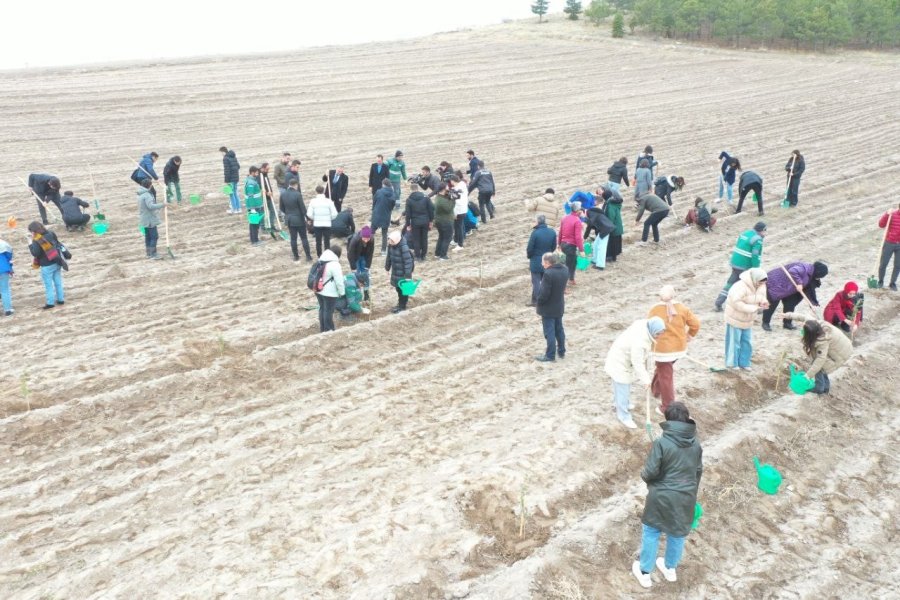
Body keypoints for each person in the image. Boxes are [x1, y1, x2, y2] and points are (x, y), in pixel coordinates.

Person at [632, 401, 703, 589]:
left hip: (661, 496)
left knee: (652, 531)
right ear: (686, 419)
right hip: (686, 497)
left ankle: (645, 572)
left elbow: (649, 472)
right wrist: (690, 493)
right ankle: (670, 568)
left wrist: (651, 482)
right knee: (677, 533)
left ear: (668, 421)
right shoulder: (696, 444)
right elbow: (698, 471)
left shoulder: (662, 443)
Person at [604, 317, 666, 429]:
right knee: (623, 387)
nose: (659, 336)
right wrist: (646, 380)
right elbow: (637, 363)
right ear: (652, 330)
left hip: (623, 358)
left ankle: (618, 404)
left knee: (621, 386)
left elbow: (645, 356)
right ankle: (623, 416)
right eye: (657, 334)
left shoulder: (644, 325)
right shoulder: (640, 342)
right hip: (620, 362)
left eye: (661, 333)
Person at [648, 286, 700, 414]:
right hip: (678, 348)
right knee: (663, 369)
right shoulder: (682, 308)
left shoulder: (655, 309)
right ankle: (655, 389)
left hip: (662, 350)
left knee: (666, 376)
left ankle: (667, 406)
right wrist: (690, 335)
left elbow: (648, 326)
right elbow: (696, 324)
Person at [783, 313, 853, 394]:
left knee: (818, 364)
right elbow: (804, 316)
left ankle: (819, 388)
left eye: (804, 329)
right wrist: (787, 315)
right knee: (819, 363)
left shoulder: (822, 341)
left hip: (841, 353)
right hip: (843, 345)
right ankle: (826, 388)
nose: (802, 327)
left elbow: (820, 360)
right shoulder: (815, 324)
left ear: (811, 334)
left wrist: (807, 376)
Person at [714, 221, 767, 311]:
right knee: (753, 286)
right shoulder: (757, 239)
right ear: (762, 230)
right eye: (765, 231)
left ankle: (718, 303)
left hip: (735, 263)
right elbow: (755, 255)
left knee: (730, 283)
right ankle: (756, 308)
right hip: (745, 265)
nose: (765, 233)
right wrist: (756, 268)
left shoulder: (745, 233)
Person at [761, 261, 828, 331]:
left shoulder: (811, 274)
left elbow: (810, 290)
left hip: (787, 287)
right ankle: (765, 323)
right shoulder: (805, 268)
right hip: (775, 283)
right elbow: (793, 271)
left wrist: (812, 303)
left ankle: (787, 323)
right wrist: (799, 283)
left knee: (790, 304)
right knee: (773, 304)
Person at [724, 268, 768, 369]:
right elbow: (736, 303)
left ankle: (744, 363)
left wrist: (763, 302)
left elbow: (762, 297)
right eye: (760, 282)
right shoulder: (740, 287)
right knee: (734, 342)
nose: (762, 284)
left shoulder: (762, 286)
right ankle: (732, 364)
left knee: (746, 342)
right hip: (735, 318)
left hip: (748, 319)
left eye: (763, 283)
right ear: (754, 279)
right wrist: (753, 308)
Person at [535, 252, 568, 362]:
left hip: (548, 308)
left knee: (549, 332)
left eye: (543, 262)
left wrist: (538, 302)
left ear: (548, 262)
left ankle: (550, 355)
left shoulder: (548, 274)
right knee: (559, 329)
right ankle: (562, 351)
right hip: (559, 305)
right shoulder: (564, 269)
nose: (542, 264)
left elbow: (544, 294)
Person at [28, 221, 67, 308]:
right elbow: (57, 243)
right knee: (58, 282)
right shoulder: (51, 233)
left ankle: (50, 303)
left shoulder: (37, 240)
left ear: (33, 231)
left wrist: (30, 244)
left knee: (48, 284)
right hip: (57, 260)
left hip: (47, 264)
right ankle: (61, 300)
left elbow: (36, 253)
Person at [527, 215, 557, 307]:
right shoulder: (552, 232)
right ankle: (535, 300)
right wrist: (548, 255)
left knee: (536, 281)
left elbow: (530, 248)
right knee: (544, 281)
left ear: (538, 222)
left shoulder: (535, 233)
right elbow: (554, 246)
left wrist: (530, 256)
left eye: (534, 221)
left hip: (536, 260)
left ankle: (538, 301)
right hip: (547, 259)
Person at [279, 178, 312, 261]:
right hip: (299, 219)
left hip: (289, 219)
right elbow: (303, 208)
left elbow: (281, 207)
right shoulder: (297, 194)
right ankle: (308, 256)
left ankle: (296, 256)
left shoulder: (283, 194)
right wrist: (308, 218)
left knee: (293, 239)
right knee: (304, 238)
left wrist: (288, 213)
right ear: (295, 185)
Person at [315, 244, 346, 333]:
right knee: (328, 311)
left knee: (322, 308)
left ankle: (323, 328)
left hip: (318, 289)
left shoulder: (321, 260)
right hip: (329, 293)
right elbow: (339, 281)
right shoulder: (335, 264)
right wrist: (342, 292)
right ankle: (328, 329)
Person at [385, 230, 414, 313]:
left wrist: (408, 276)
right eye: (389, 240)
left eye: (392, 241)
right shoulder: (391, 246)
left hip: (404, 273)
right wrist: (387, 268)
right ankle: (400, 303)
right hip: (396, 271)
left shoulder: (403, 247)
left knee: (403, 290)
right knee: (398, 289)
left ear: (397, 240)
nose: (390, 242)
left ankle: (402, 306)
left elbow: (408, 262)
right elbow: (389, 257)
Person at [404, 183, 434, 260]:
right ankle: (423, 255)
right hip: (425, 221)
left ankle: (417, 256)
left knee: (416, 239)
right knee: (424, 238)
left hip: (415, 222)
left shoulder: (409, 200)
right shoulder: (426, 198)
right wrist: (431, 221)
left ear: (411, 190)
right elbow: (431, 209)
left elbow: (408, 214)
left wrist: (408, 224)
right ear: (417, 189)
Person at [584, 196, 614, 270]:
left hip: (606, 229)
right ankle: (594, 260)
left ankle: (600, 265)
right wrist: (585, 236)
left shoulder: (590, 212)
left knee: (601, 247)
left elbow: (590, 224)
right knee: (595, 244)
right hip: (603, 229)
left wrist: (585, 236)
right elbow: (591, 225)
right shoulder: (593, 211)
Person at [137, 178, 166, 259]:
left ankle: (149, 253)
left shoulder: (140, 194)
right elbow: (151, 206)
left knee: (148, 236)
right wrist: (162, 205)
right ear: (149, 186)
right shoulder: (147, 195)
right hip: (150, 219)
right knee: (154, 236)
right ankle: (153, 254)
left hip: (144, 218)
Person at [558, 201, 585, 284]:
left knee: (568, 262)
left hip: (563, 244)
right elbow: (578, 237)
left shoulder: (564, 218)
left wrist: (559, 244)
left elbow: (560, 232)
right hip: (571, 246)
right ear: (578, 210)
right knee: (571, 264)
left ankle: (571, 279)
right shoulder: (577, 221)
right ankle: (567, 281)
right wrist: (581, 250)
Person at [308, 185, 338, 257]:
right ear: (324, 191)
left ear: (316, 192)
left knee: (318, 241)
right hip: (327, 224)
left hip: (317, 224)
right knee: (327, 241)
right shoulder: (328, 201)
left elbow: (309, 214)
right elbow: (335, 213)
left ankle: (319, 255)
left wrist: (315, 218)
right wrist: (329, 218)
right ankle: (327, 255)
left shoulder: (313, 201)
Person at [876, 204, 900, 290]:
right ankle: (881, 281)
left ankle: (892, 283)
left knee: (898, 265)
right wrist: (886, 214)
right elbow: (881, 224)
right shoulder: (892, 214)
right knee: (883, 263)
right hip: (889, 243)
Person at [598, 184, 624, 263]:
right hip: (617, 226)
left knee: (612, 242)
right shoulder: (612, 202)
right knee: (615, 242)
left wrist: (607, 226)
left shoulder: (610, 205)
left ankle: (611, 257)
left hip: (613, 227)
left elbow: (611, 217)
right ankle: (613, 256)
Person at [371, 179, 395, 256]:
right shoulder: (392, 194)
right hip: (386, 215)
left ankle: (367, 247)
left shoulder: (378, 192)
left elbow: (374, 202)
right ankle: (383, 251)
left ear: (383, 184)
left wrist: (374, 210)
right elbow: (392, 205)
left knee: (371, 232)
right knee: (384, 234)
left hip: (376, 214)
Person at [433, 184, 455, 261]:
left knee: (442, 237)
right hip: (445, 221)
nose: (448, 189)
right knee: (447, 238)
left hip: (440, 221)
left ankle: (437, 253)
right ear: (443, 189)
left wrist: (450, 196)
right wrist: (453, 200)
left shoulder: (439, 197)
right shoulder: (441, 201)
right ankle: (443, 255)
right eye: (447, 188)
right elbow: (449, 208)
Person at [244, 167, 264, 246]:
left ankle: (254, 239)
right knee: (254, 224)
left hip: (256, 206)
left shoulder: (252, 181)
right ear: (252, 172)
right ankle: (255, 241)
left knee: (254, 224)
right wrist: (252, 208)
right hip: (254, 207)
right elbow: (250, 196)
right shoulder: (250, 183)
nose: (257, 174)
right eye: (256, 173)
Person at [259, 163, 280, 233]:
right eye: (267, 169)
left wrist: (271, 192)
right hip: (262, 198)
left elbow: (267, 185)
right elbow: (259, 188)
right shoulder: (259, 176)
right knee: (262, 212)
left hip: (268, 197)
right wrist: (267, 193)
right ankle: (263, 227)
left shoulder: (265, 174)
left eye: (268, 169)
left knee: (273, 211)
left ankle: (271, 226)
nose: (268, 171)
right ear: (262, 168)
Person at [220, 146, 241, 214]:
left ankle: (234, 209)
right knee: (235, 193)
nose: (221, 154)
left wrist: (226, 181)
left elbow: (227, 171)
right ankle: (239, 208)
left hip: (231, 179)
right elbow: (238, 166)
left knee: (231, 194)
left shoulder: (225, 158)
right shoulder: (233, 156)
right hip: (236, 178)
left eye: (221, 153)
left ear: (223, 151)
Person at [451, 174, 469, 249]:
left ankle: (460, 244)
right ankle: (455, 240)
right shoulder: (462, 184)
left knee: (459, 227)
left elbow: (457, 202)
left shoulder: (457, 189)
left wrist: (454, 213)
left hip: (459, 211)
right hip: (464, 208)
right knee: (457, 226)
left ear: (452, 181)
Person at [0, 236, 14, 316]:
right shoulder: (3, 244)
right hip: (3, 269)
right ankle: (7, 310)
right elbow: (9, 256)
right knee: (5, 290)